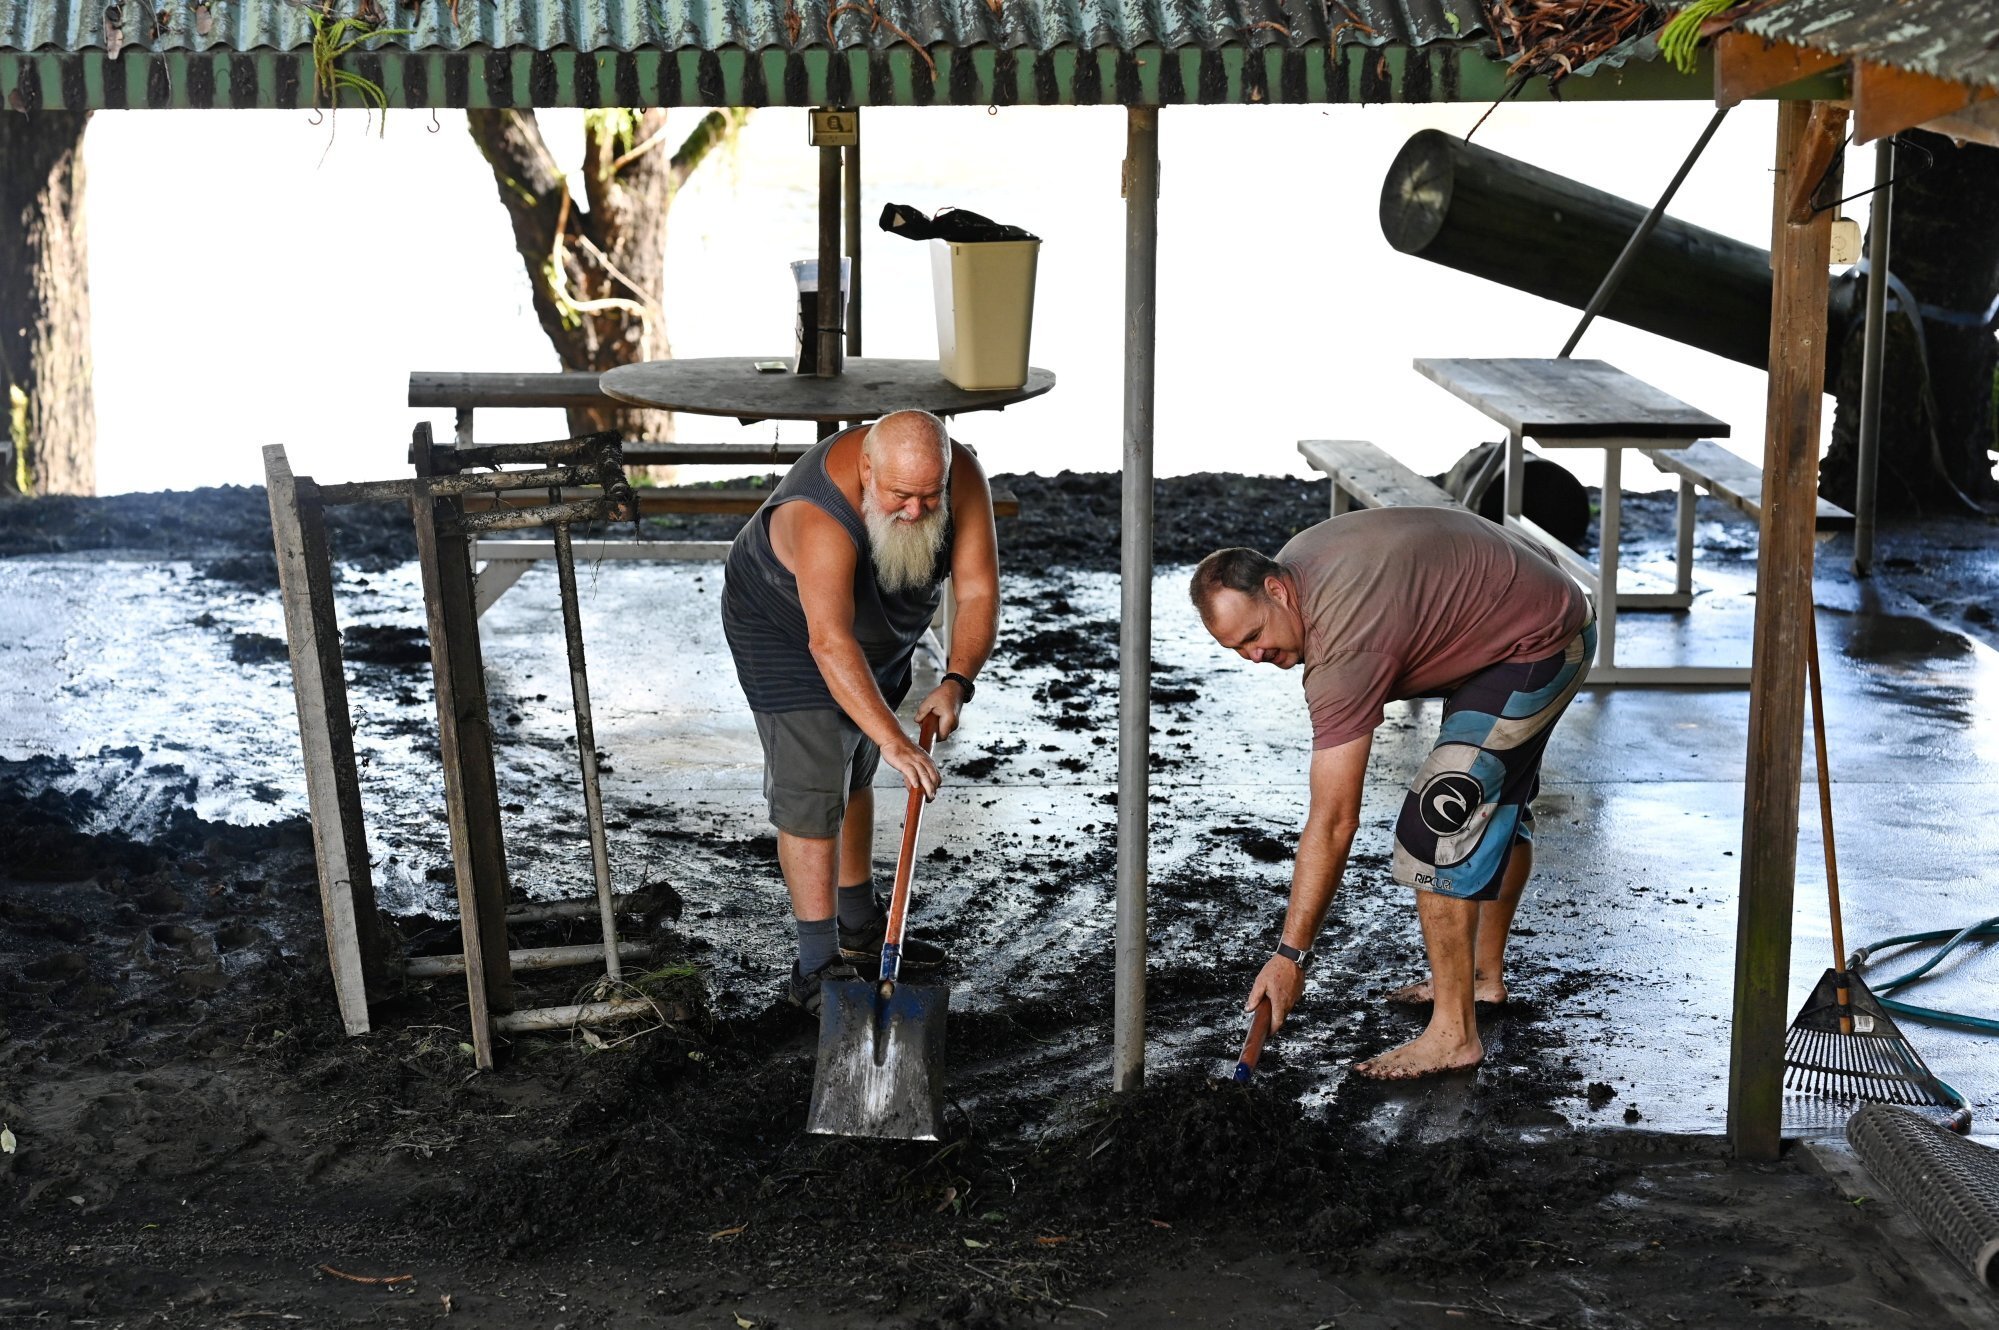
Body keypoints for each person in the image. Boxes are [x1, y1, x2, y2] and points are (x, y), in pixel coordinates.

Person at [1190, 506, 1594, 1079]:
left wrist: (1290, 956)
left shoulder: (1343, 648)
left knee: (1440, 820)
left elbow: (1333, 821)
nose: (1254, 657)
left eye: (1254, 636)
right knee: (1495, 801)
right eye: (1237, 650)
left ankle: (1454, 1035)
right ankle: (1482, 980)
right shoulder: (1301, 565)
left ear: (1277, 589)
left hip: (1539, 644)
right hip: (1516, 620)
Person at [721, 409, 998, 1014]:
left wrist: (957, 680)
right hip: (785, 627)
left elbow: (976, 592)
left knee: (858, 764)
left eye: (931, 496)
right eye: (902, 496)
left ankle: (858, 924)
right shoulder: (819, 513)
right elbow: (828, 641)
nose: (918, 511)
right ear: (867, 470)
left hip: (875, 631)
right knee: (816, 777)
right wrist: (898, 739)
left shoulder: (961, 478)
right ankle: (816, 965)